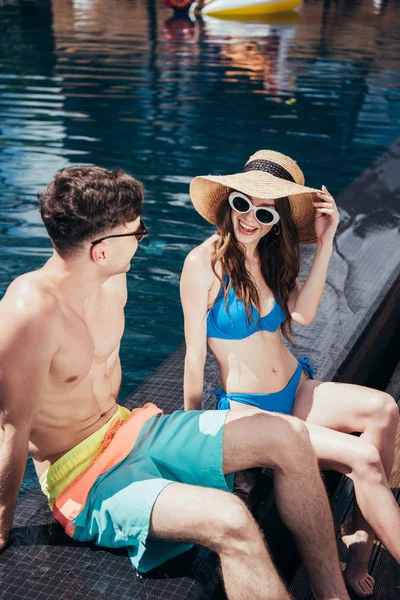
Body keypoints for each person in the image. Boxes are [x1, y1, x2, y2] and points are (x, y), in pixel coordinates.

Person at [0, 166, 350, 600]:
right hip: (83, 475)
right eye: (136, 232)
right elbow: (11, 428)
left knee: (290, 435)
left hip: (132, 427)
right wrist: (1, 524)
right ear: (101, 251)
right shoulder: (29, 311)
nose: (142, 238)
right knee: (230, 519)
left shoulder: (110, 278)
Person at [181, 149, 400, 598]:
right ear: (229, 201)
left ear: (276, 220)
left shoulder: (270, 257)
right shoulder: (201, 264)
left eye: (264, 213)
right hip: (250, 411)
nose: (250, 220)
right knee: (363, 460)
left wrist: (325, 242)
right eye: (242, 204)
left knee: (384, 409)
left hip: (295, 388)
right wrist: (192, 440)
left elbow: (302, 316)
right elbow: (191, 359)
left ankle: (360, 543)